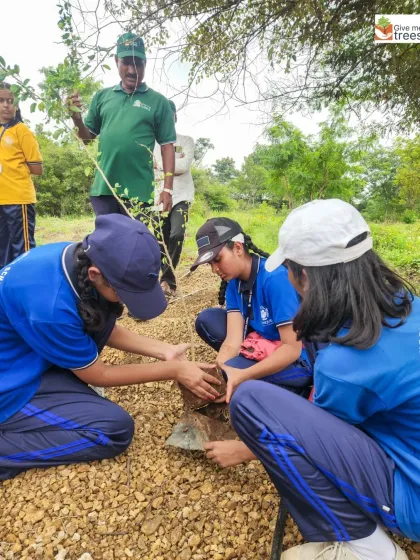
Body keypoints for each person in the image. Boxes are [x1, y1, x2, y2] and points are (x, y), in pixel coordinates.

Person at [226, 199, 418, 560]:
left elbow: (319, 444)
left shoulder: (344, 365)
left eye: (290, 269)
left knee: (250, 402)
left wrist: (245, 449)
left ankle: (364, 545)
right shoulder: (405, 300)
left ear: (306, 276)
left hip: (413, 500)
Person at [0, 214, 220, 481]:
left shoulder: (77, 259)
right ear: (96, 275)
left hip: (25, 356)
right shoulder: (50, 307)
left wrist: (165, 350)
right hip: (10, 385)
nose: (127, 303)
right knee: (113, 430)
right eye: (125, 294)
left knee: (101, 313)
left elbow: (102, 326)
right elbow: (98, 375)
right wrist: (173, 369)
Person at [191, 217, 312, 460]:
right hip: (265, 344)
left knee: (237, 379)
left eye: (217, 260)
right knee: (211, 331)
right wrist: (219, 371)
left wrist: (240, 376)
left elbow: (292, 349)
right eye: (210, 264)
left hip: (300, 360)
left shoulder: (275, 278)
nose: (215, 269)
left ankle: (292, 392)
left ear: (237, 248)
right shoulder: (235, 282)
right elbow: (232, 340)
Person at [69, 32, 176, 218]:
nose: (132, 70)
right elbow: (87, 140)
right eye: (126, 62)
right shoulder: (102, 97)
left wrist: (168, 189)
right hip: (104, 189)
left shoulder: (159, 102)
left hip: (139, 193)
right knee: (105, 244)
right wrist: (77, 119)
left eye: (138, 63)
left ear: (145, 64)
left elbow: (167, 146)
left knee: (133, 245)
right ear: (116, 60)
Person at [153, 100, 195, 298]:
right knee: (160, 239)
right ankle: (165, 282)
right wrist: (169, 165)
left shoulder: (186, 140)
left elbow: (184, 165)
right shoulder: (152, 144)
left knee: (176, 235)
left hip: (182, 197)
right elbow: (148, 166)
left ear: (175, 117)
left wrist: (161, 165)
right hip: (158, 197)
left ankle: (167, 280)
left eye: (170, 115)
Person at [0, 82, 43, 268]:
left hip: (18, 200)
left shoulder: (22, 131)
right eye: (1, 100)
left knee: (22, 251)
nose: (6, 105)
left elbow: (37, 168)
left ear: (16, 105)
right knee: (3, 250)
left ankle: (27, 290)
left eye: (10, 101)